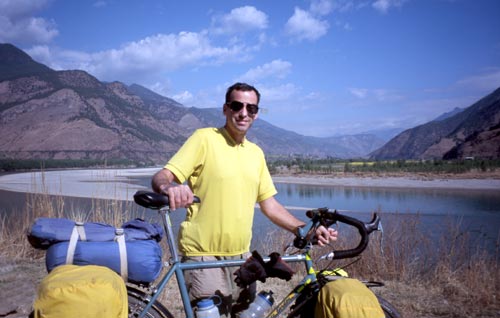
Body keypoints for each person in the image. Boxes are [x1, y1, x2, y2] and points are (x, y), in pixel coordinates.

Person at [151, 82, 337, 317]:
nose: (244, 113)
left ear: (256, 114)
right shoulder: (204, 139)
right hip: (203, 254)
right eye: (237, 105)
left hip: (242, 257)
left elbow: (269, 205)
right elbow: (163, 175)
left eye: (251, 108)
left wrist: (304, 229)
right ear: (225, 109)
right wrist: (169, 187)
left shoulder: (256, 154)